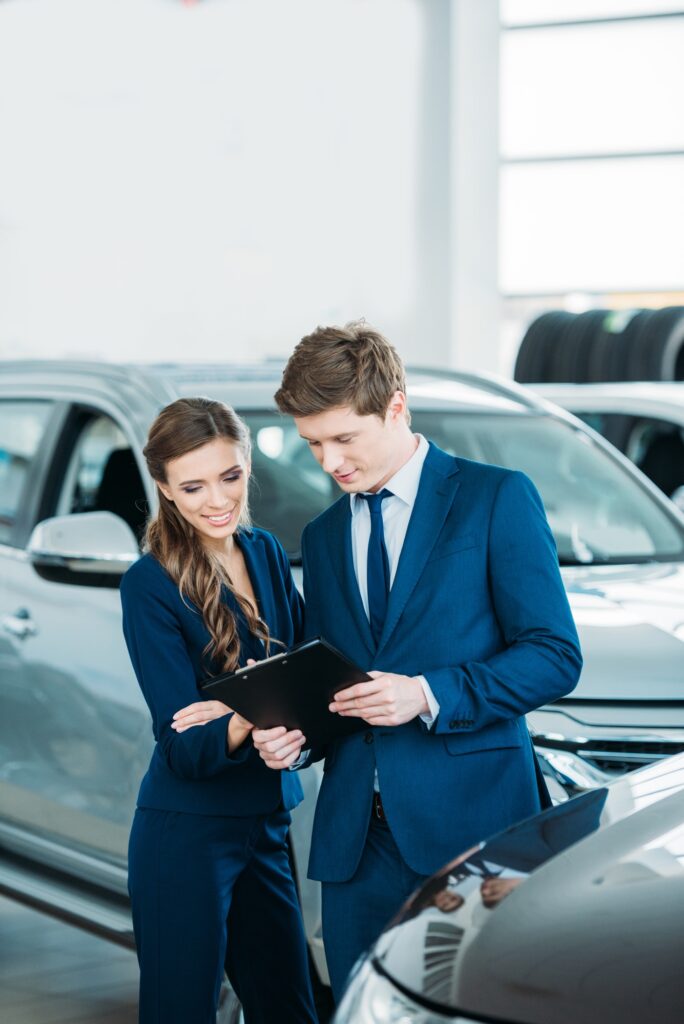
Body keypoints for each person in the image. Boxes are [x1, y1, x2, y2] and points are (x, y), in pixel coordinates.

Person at [247, 321, 583, 1000]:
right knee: (359, 1008)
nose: (330, 462)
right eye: (312, 444)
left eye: (345, 438)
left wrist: (427, 694)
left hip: (471, 834)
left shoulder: (495, 499)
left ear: (395, 407)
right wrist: (293, 736)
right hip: (351, 848)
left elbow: (554, 656)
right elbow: (334, 685)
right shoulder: (324, 533)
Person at [119, 398, 318, 1024]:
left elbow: (306, 679)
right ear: (164, 489)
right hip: (188, 832)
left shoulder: (263, 551)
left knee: (290, 1012)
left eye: (229, 477)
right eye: (193, 485)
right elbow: (180, 742)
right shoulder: (149, 584)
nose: (216, 500)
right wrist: (248, 716)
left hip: (267, 821)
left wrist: (232, 707)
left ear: (248, 465)